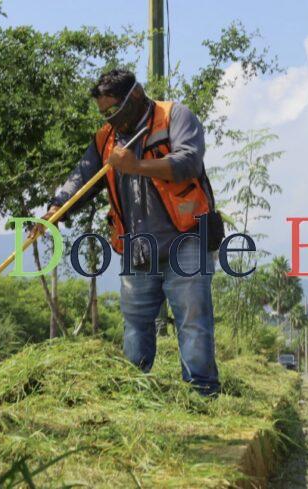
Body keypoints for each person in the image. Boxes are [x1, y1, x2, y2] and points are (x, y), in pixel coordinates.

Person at [33, 69, 221, 396]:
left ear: (135, 95)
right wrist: (56, 208)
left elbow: (188, 162)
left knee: (192, 319)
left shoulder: (174, 116)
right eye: (104, 114)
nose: (110, 119)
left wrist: (136, 166)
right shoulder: (106, 139)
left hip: (187, 238)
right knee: (134, 322)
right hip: (138, 247)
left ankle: (202, 393)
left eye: (114, 111)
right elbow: (81, 176)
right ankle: (135, 391)